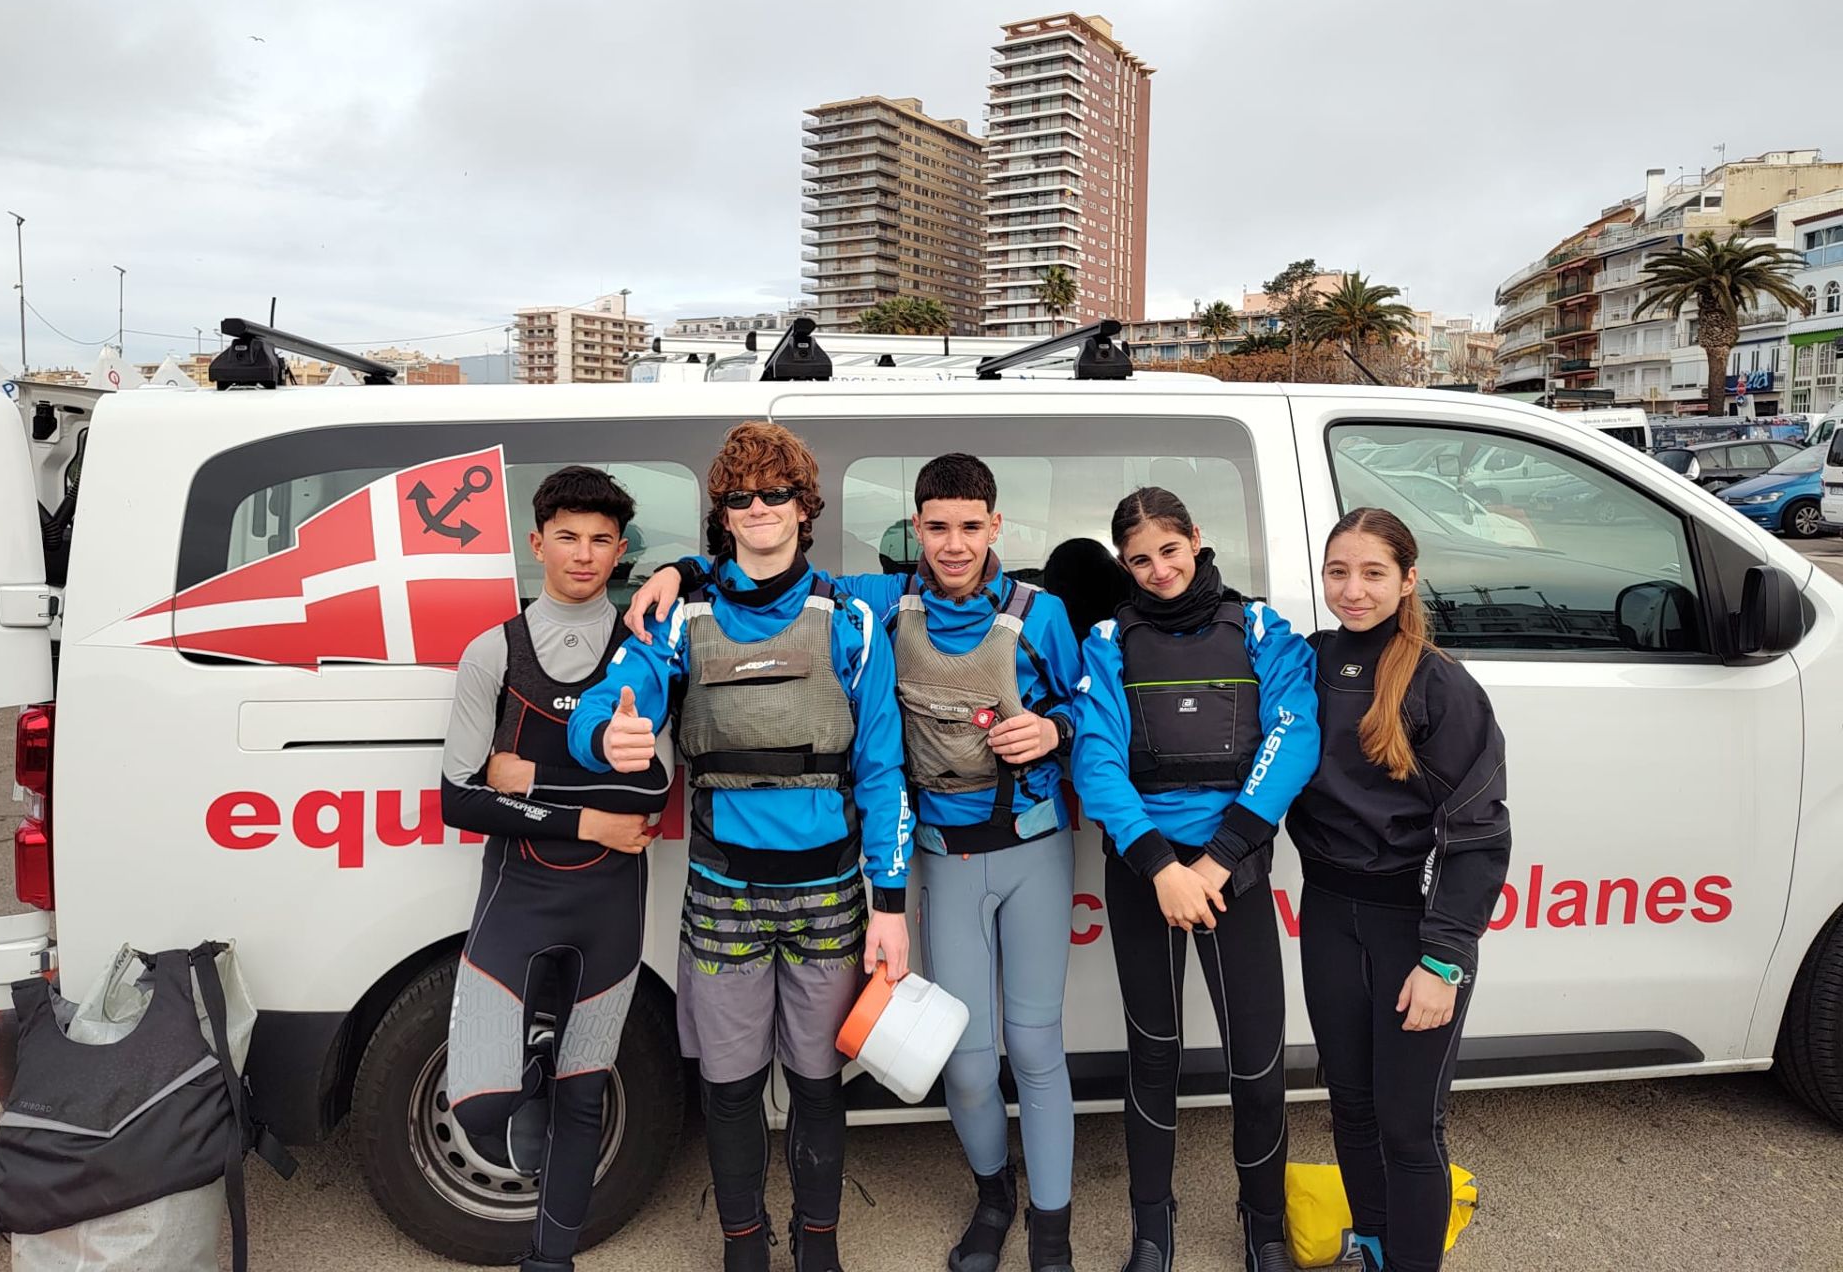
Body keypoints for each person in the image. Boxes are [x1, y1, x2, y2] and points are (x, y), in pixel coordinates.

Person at [629, 452, 1085, 1272]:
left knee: (1038, 1046)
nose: (953, 545)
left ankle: (1050, 1237)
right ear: (914, 529)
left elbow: (1092, 706)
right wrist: (679, 568)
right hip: (943, 854)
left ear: (997, 527)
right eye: (937, 527)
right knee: (972, 1063)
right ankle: (994, 1199)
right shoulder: (877, 601)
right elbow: (768, 575)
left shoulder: (1041, 612)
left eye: (970, 527)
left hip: (1032, 847)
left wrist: (1056, 731)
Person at [568, 422, 913, 1272]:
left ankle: (819, 1244)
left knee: (818, 1084)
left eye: (776, 495)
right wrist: (601, 737)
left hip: (831, 893)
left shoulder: (854, 614)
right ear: (722, 515)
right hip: (723, 893)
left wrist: (892, 905)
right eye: (740, 498)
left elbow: (882, 768)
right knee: (727, 1087)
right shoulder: (677, 615)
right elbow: (615, 695)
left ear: (806, 508)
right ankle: (742, 1244)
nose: (759, 509)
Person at [1070, 487, 1319, 1272]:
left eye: (1169, 552)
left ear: (1196, 541)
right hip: (1146, 876)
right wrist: (1158, 866)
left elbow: (1294, 734)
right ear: (1122, 564)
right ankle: (1153, 1224)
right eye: (1139, 559)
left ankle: (1264, 1224)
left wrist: (1216, 861)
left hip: (1229, 875)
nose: (1158, 570)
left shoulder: (1258, 629)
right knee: (1154, 1055)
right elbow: (1096, 758)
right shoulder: (1108, 640)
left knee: (1257, 1058)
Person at [438, 466, 671, 1272]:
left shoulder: (642, 654)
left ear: (621, 551)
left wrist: (529, 777)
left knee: (585, 1094)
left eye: (602, 539)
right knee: (483, 1105)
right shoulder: (491, 654)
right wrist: (588, 816)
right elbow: (458, 801)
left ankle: (552, 1259)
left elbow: (653, 788)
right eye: (567, 536)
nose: (584, 553)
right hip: (519, 901)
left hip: (611, 907)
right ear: (537, 542)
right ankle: (524, 1066)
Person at [1287, 508, 1510, 1272]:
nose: (1352, 590)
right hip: (1328, 913)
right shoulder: (1306, 662)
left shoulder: (1440, 685)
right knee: (1348, 1105)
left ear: (1408, 580)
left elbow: (1479, 834)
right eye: (1337, 572)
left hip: (1414, 930)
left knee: (1408, 1127)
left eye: (1373, 573)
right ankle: (1377, 1247)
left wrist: (1444, 959)